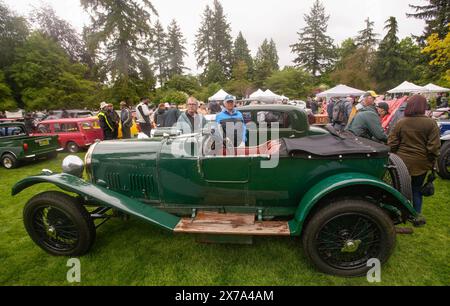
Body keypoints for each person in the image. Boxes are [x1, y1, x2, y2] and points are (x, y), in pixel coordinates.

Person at [388, 95, 441, 226]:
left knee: (398, 188)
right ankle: (415, 216)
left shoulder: (401, 122)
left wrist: (395, 154)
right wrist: (432, 161)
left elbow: (392, 143)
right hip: (421, 163)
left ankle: (397, 213)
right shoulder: (431, 123)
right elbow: (433, 147)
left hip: (401, 162)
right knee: (416, 189)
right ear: (423, 106)